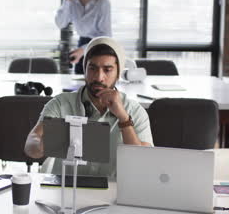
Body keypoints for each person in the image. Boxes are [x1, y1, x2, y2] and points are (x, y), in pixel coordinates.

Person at [24, 37, 153, 178]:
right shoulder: (61, 103)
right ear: (84, 69)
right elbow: (31, 141)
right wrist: (40, 146)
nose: (99, 77)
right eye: (92, 68)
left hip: (113, 193)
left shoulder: (135, 111)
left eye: (107, 70)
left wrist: (123, 118)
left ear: (118, 74)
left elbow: (143, 164)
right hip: (65, 191)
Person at [55, 0, 112, 74]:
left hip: (99, 46)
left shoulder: (102, 2)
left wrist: (84, 50)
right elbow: (60, 23)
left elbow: (106, 36)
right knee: (79, 83)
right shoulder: (72, 1)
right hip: (82, 45)